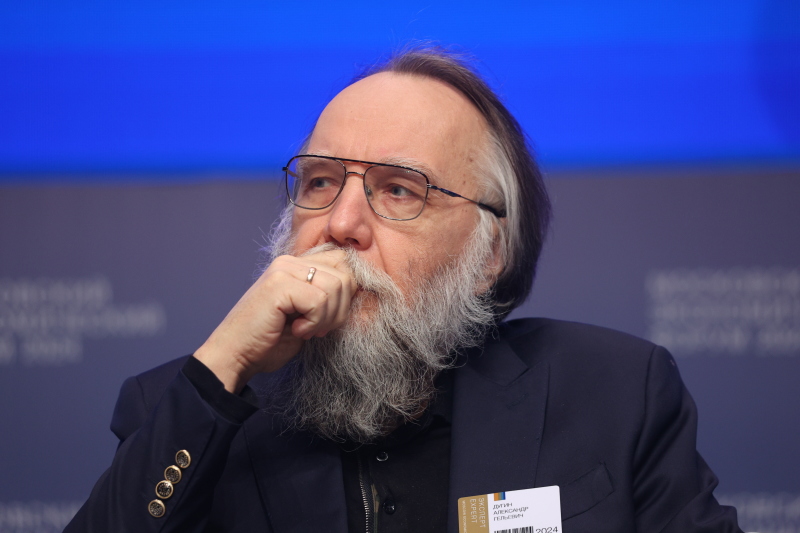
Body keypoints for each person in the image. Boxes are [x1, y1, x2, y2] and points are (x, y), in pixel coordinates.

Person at [65, 47, 743, 533]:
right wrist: (225, 365)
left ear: (488, 254)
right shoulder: (185, 407)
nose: (341, 225)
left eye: (398, 190)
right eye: (321, 181)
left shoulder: (615, 394)